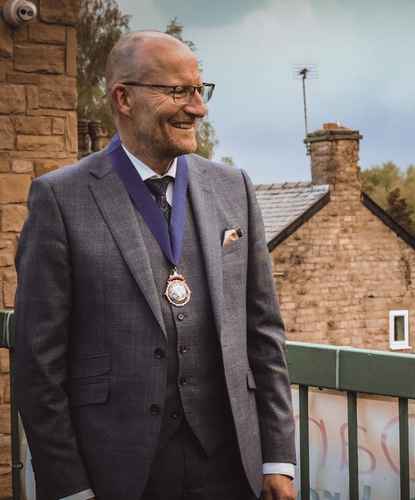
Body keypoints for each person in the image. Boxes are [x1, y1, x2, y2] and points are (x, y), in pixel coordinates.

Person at [14, 31, 296, 500]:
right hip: (115, 476)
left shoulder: (234, 188)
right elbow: (37, 365)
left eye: (199, 91)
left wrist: (278, 459)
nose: (197, 108)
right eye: (177, 91)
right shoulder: (59, 199)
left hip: (231, 470)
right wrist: (68, 487)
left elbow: (263, 333)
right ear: (123, 98)